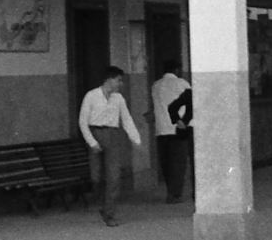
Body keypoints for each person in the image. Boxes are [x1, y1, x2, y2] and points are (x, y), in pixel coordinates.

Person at [78, 65, 143, 227]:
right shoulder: (91, 96)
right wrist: (92, 142)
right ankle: (102, 203)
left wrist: (136, 139)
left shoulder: (119, 99)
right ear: (109, 79)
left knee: (113, 176)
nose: (120, 84)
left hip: (113, 135)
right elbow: (83, 121)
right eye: (118, 80)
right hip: (96, 132)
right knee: (96, 176)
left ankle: (109, 212)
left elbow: (126, 119)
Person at [150, 59, 193, 204]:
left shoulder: (155, 85)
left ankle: (170, 190)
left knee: (166, 162)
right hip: (178, 127)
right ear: (176, 70)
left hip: (161, 129)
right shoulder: (182, 84)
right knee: (179, 163)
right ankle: (175, 194)